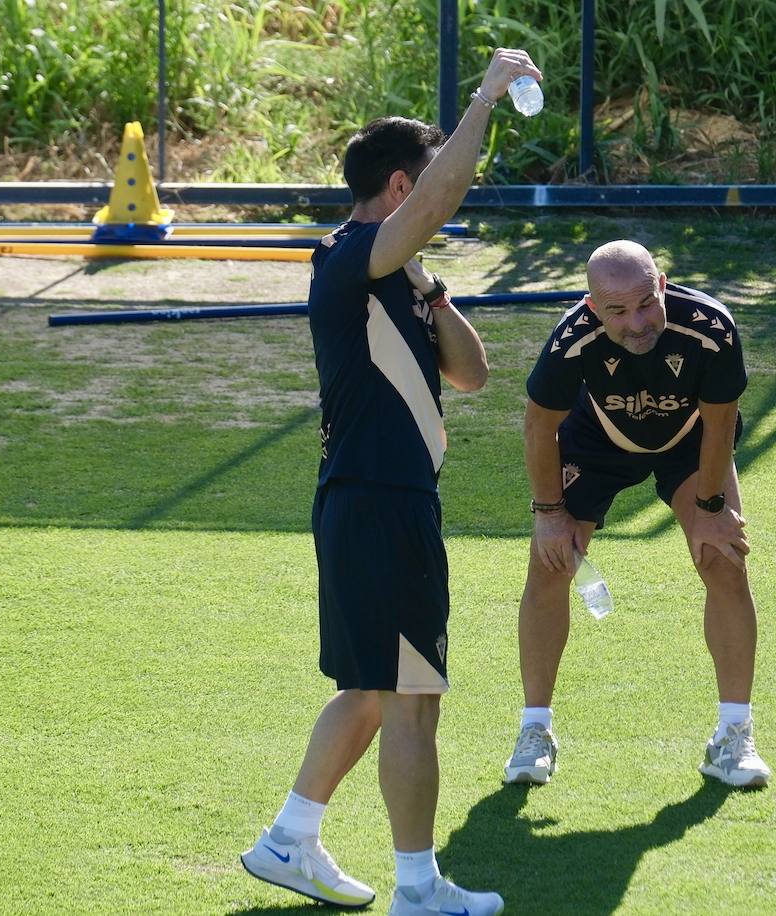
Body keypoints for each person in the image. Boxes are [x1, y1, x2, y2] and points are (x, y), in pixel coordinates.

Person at [239, 48, 541, 916]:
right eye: (426, 185)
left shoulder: (392, 274)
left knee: (373, 693)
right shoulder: (349, 257)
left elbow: (472, 375)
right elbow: (441, 199)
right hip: (379, 503)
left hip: (381, 503)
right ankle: (417, 887)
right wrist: (485, 99)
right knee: (413, 701)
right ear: (402, 187)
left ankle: (290, 839)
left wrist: (432, 290)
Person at [503, 240, 771, 789]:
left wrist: (711, 509)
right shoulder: (572, 338)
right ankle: (535, 731)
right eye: (618, 311)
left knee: (723, 559)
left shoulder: (711, 327)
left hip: (689, 442)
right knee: (549, 564)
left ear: (663, 285)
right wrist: (549, 514)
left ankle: (733, 736)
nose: (637, 323)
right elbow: (538, 426)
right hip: (595, 443)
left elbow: (721, 422)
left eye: (647, 303)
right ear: (591, 307)